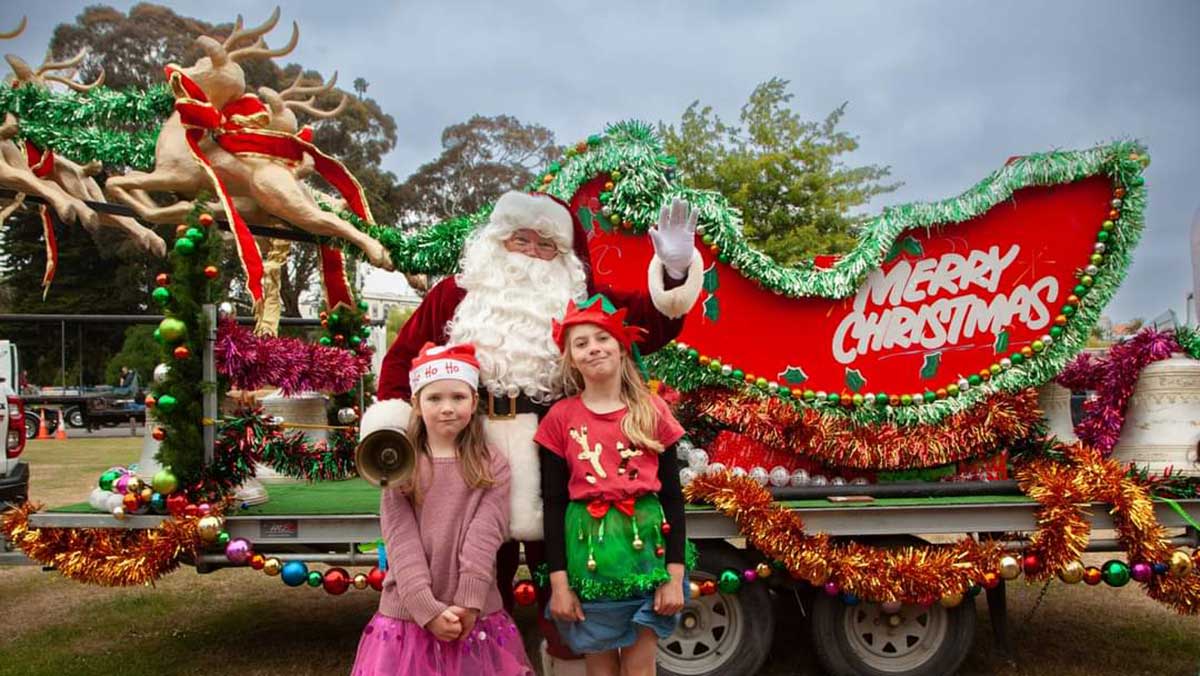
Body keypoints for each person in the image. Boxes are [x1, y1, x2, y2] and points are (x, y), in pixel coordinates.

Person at [360, 191, 702, 666]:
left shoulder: (579, 303)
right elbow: (399, 362)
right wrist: (393, 431)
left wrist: (676, 272)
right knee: (471, 584)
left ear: (563, 257)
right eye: (522, 239)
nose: (532, 254)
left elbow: (649, 323)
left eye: (546, 245)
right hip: (470, 459)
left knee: (567, 594)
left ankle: (567, 663)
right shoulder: (454, 295)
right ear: (499, 240)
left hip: (557, 456)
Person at [351, 342, 533, 676]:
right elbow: (401, 542)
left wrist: (468, 600)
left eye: (458, 397)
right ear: (416, 404)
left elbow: (485, 535)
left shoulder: (491, 464)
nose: (447, 408)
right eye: (434, 398)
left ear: (474, 402)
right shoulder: (399, 464)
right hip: (410, 613)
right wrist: (427, 609)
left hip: (473, 614)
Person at [535, 297, 690, 676]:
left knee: (640, 667)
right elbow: (553, 504)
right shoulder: (560, 419)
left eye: (601, 338)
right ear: (570, 358)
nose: (593, 349)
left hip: (646, 558)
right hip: (589, 562)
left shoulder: (652, 411)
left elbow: (672, 497)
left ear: (621, 347)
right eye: (581, 343)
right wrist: (559, 584)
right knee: (599, 668)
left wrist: (674, 575)